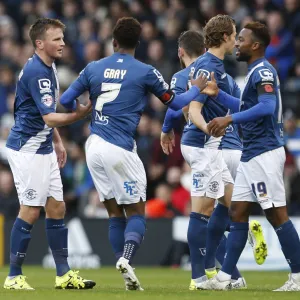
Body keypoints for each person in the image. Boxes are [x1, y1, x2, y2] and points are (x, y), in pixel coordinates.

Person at [59, 17, 208, 291]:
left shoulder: (93, 67)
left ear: (113, 42)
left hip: (94, 145)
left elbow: (65, 100)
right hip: (120, 148)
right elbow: (175, 104)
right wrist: (196, 87)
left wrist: (83, 108)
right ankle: (126, 259)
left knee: (115, 214)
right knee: (137, 213)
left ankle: (123, 266)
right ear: (138, 44)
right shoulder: (145, 71)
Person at [203, 21, 300, 291]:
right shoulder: (254, 72)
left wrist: (228, 119)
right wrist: (219, 94)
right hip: (251, 153)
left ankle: (298, 276)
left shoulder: (264, 72)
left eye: (242, 39)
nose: (236, 43)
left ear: (255, 45)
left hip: (265, 153)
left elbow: (267, 107)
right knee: (238, 211)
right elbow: (247, 106)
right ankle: (226, 278)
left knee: (276, 214)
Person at [4, 18, 95, 290]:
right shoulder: (36, 72)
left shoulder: (49, 66)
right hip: (27, 149)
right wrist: (78, 115)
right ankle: (13, 276)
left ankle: (64, 274)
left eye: (63, 38)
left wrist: (56, 141)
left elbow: (42, 113)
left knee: (57, 207)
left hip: (43, 145)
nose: (63, 43)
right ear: (39, 43)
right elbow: (50, 116)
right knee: (31, 210)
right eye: (57, 39)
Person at [160, 23, 250, 290]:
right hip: (201, 145)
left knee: (230, 202)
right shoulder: (207, 65)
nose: (237, 41)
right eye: (235, 35)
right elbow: (192, 108)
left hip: (208, 145)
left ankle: (217, 269)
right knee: (202, 210)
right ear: (224, 37)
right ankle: (200, 277)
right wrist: (207, 130)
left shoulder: (217, 67)